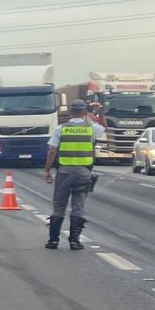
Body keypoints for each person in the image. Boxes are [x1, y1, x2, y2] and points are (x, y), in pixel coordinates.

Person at [43, 100, 97, 250]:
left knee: (59, 205)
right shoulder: (92, 128)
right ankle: (74, 241)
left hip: (65, 172)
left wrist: (47, 170)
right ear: (85, 112)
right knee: (78, 206)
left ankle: (53, 240)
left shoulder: (61, 129)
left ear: (70, 112)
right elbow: (104, 127)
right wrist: (100, 112)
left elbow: (52, 150)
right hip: (84, 172)